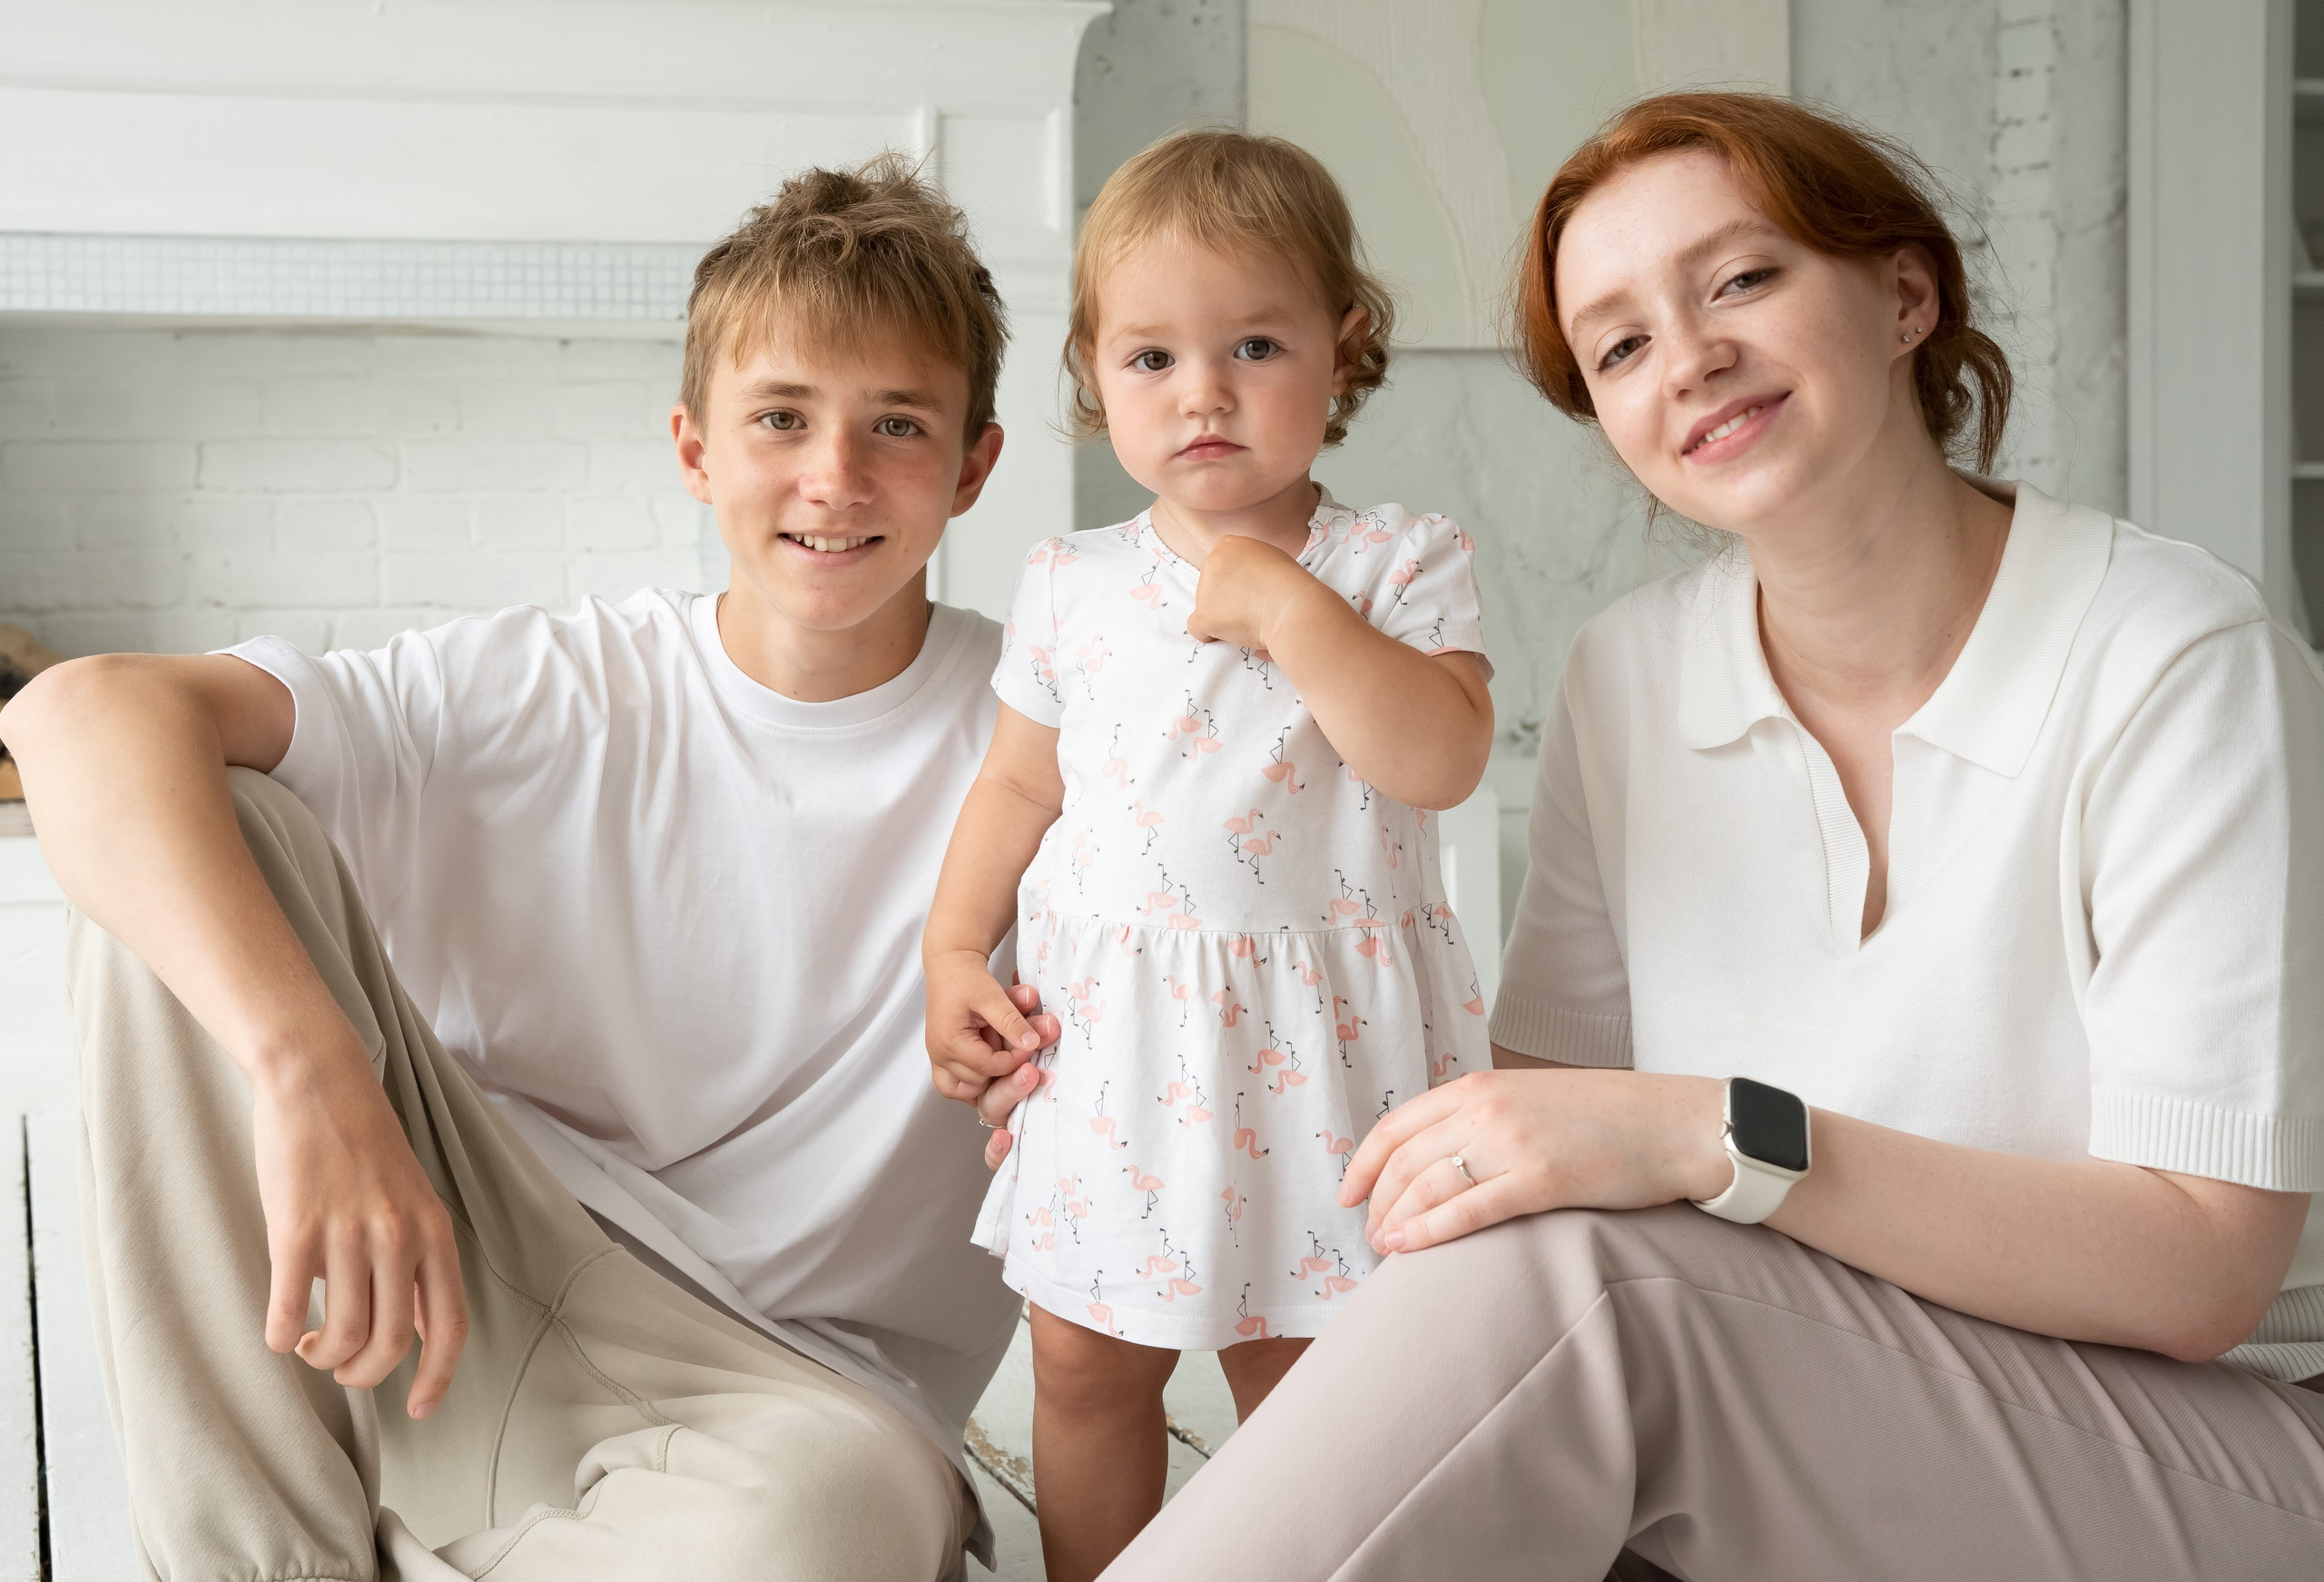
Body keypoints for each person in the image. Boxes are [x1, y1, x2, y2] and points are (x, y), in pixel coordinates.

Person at [1047, 93, 2324, 1578]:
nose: (1691, 357)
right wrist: (1143, 1087)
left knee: (1601, 1292)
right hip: (1810, 1403)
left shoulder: (2174, 656)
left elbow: (2200, 1270)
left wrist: (1717, 1134)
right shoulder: (1632, 674)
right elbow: (1535, 1132)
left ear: (1907, 294)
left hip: (2217, 1448)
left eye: (1742, 280)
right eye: (1621, 346)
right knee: (1521, 1281)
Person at [0, 155, 1054, 1581]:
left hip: (789, 1409)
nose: (835, 477)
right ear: (696, 448)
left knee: (831, 1527)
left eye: (897, 424)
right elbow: (74, 714)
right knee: (200, 832)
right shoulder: (551, 685)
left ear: (974, 466)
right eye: (781, 417)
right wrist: (313, 1071)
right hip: (449, 1287)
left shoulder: (1067, 727)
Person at [922, 129, 1495, 1581]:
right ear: (1095, 373)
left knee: (1306, 1394)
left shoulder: (1395, 562)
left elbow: (1439, 758)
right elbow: (1017, 784)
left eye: (1254, 345)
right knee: (1081, 1365)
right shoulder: (1073, 580)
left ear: (1342, 348)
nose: (1205, 393)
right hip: (1114, 1047)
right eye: (1152, 358)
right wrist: (950, 948)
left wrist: (1294, 612)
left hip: (1323, 1054)